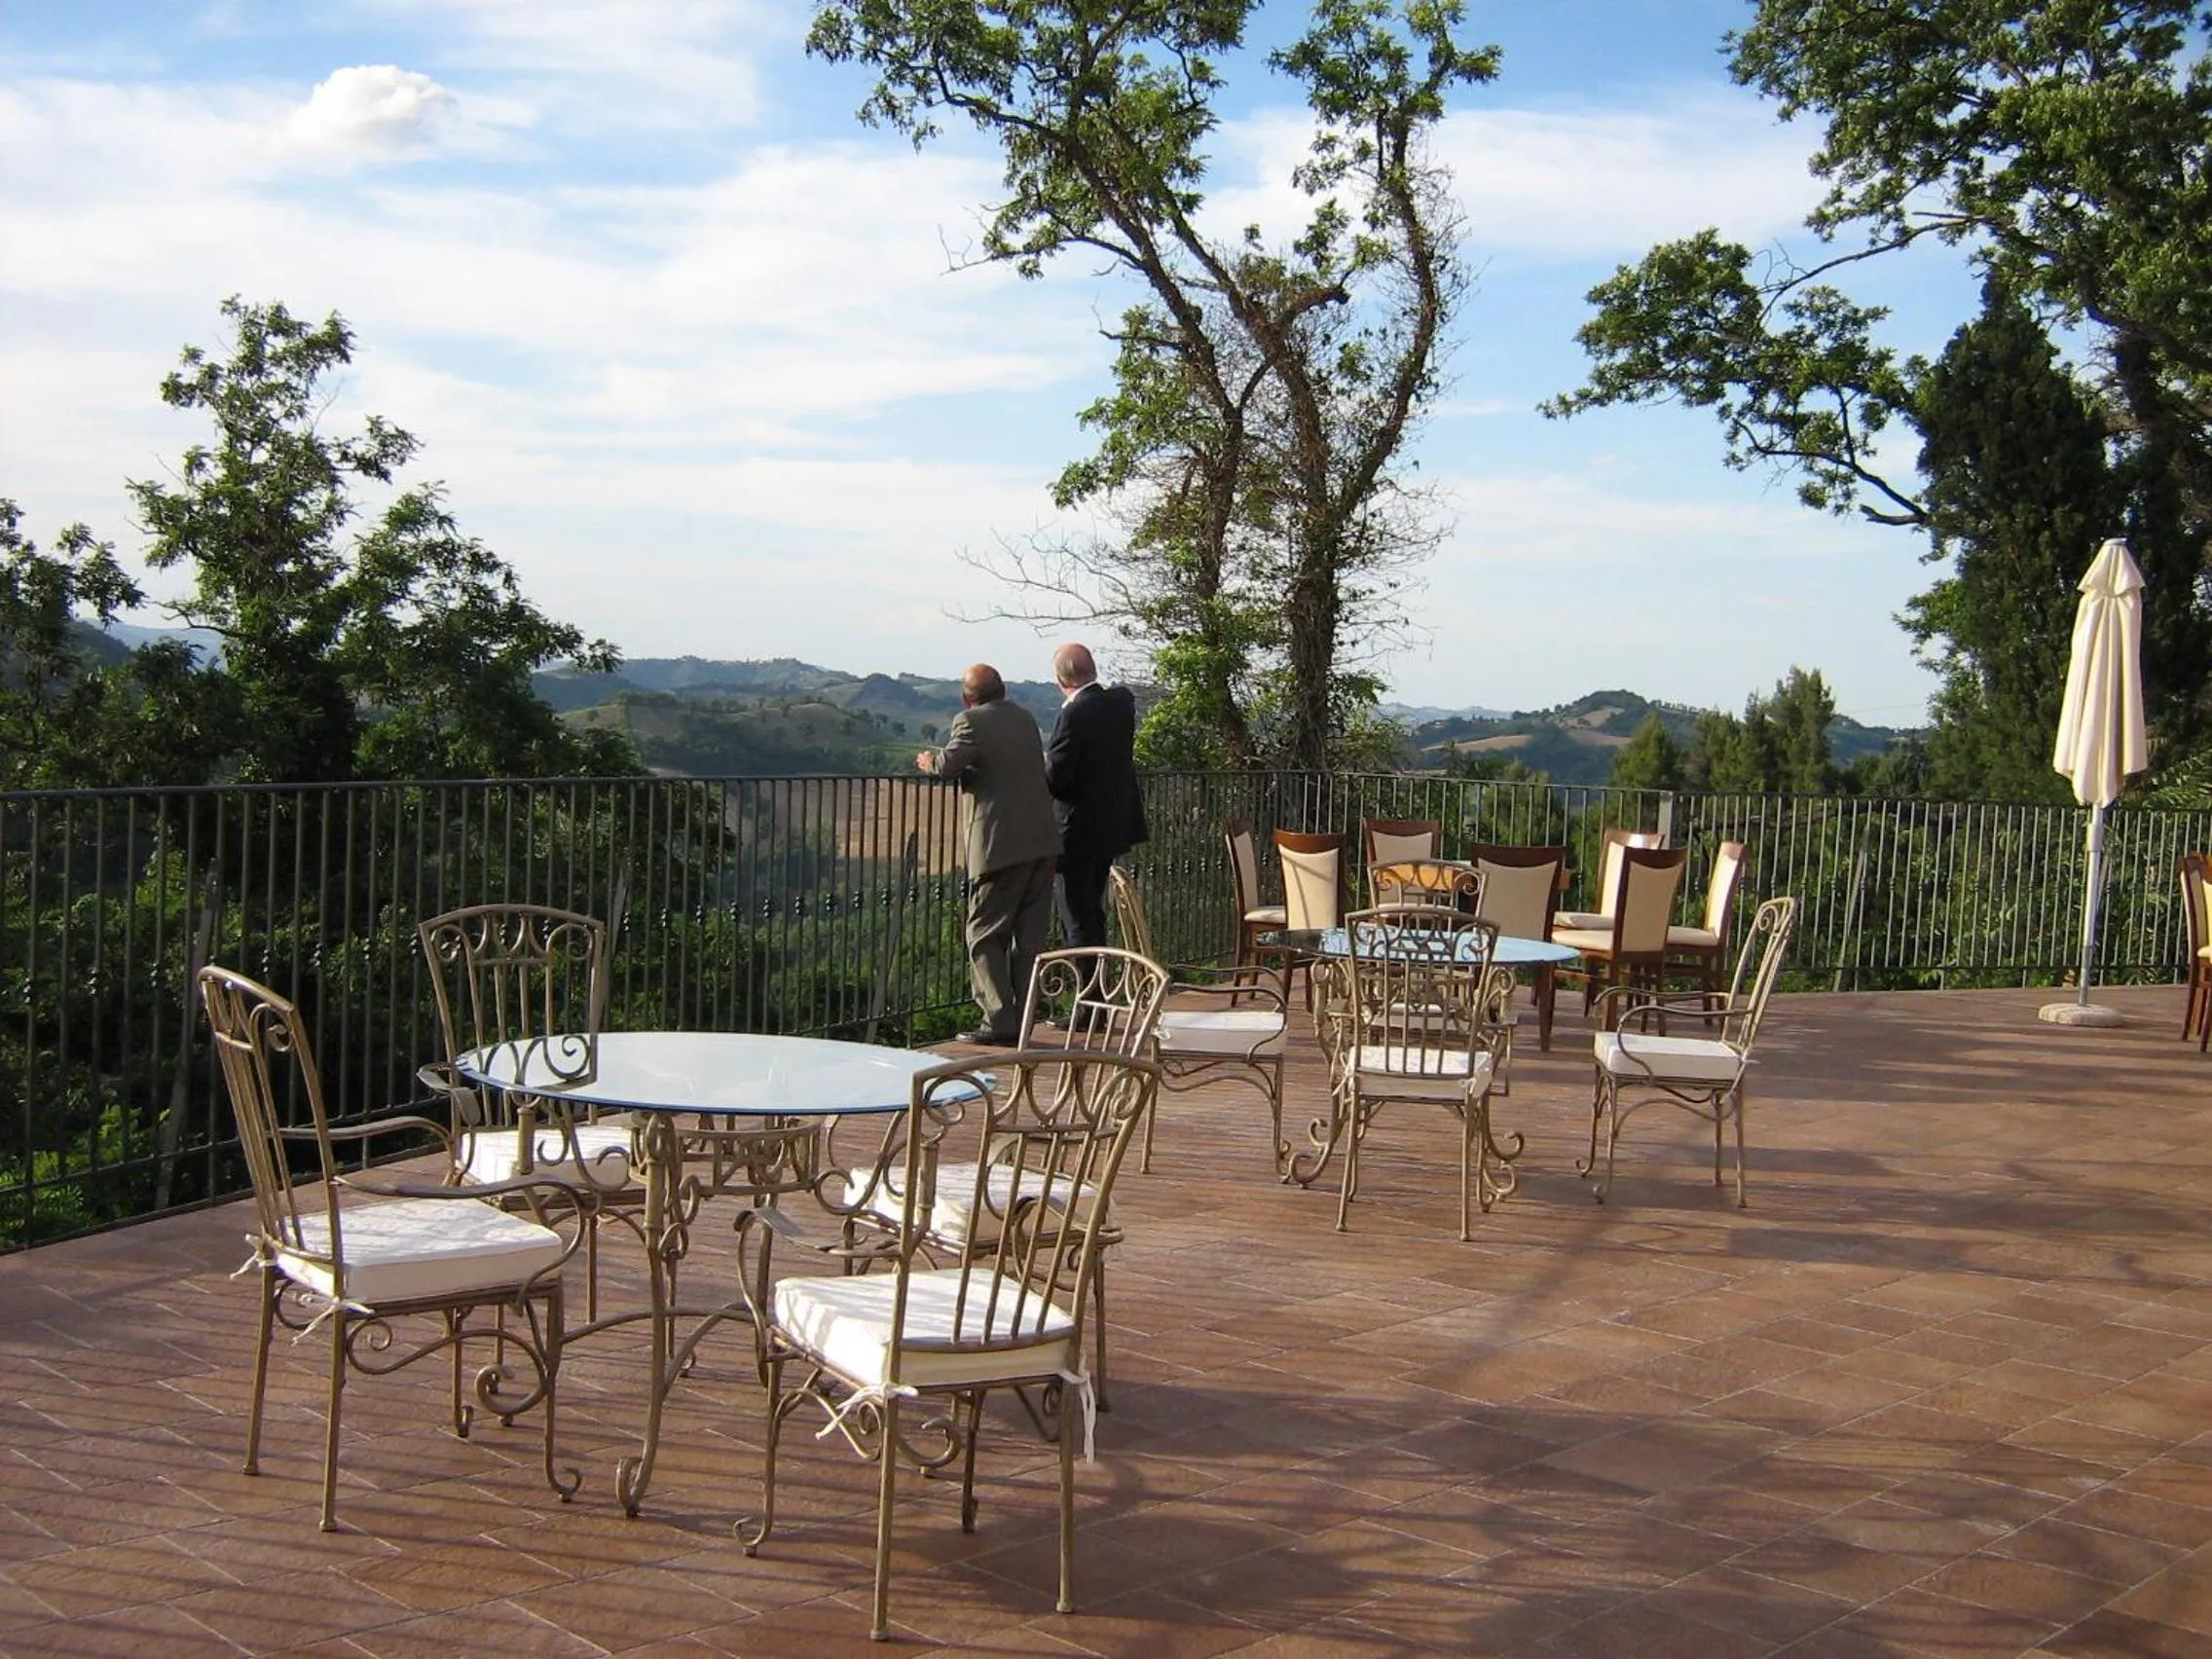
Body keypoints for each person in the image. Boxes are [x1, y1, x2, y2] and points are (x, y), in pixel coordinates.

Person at [917, 664, 1059, 1046]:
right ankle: (1026, 1017)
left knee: (984, 934)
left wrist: (930, 761)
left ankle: (999, 1021)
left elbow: (950, 765)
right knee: (1030, 940)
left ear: (968, 698)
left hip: (999, 846)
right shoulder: (1026, 718)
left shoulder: (969, 721)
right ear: (1005, 690)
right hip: (1041, 841)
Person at [1043, 642, 1147, 950]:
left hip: (1075, 832)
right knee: (1093, 912)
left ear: (1061, 681)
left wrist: (1041, 765)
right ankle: (1098, 987)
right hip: (1112, 824)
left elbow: (1056, 778)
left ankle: (1087, 993)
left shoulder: (1074, 714)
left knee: (1075, 917)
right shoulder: (1121, 702)